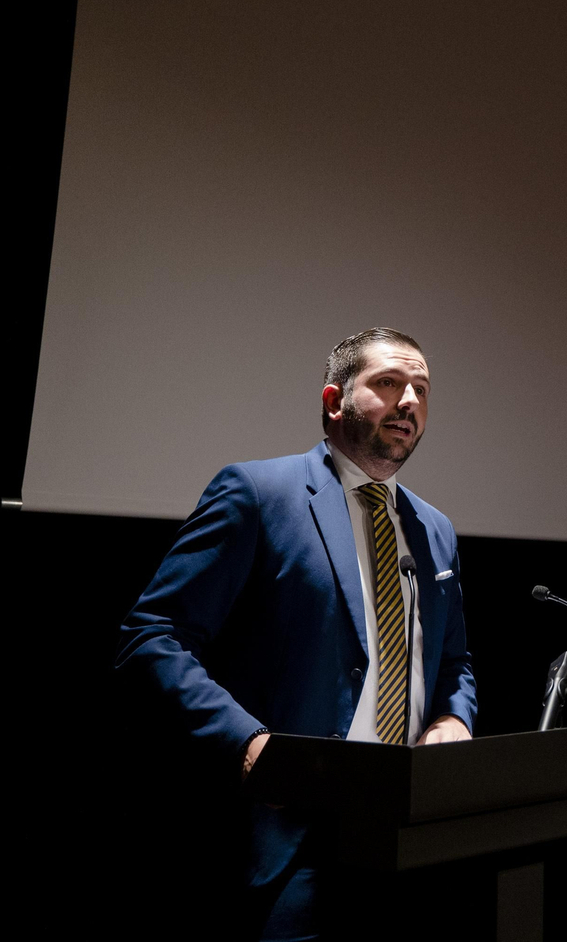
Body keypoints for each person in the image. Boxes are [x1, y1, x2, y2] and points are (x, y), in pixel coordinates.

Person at [116, 328, 478, 939]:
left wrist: (454, 720)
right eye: (389, 383)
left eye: (421, 388)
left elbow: (453, 661)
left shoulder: (434, 528)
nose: (410, 400)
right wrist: (247, 743)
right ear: (335, 400)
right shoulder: (259, 494)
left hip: (408, 831)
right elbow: (152, 635)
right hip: (291, 834)